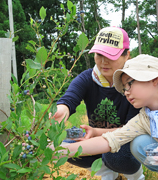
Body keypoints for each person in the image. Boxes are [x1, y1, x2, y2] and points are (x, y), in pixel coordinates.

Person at [52, 54, 158, 180]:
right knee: (141, 144)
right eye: (123, 88)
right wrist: (62, 150)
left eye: (130, 83)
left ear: (154, 79)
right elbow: (111, 139)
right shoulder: (144, 118)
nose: (126, 91)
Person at [52, 27, 144, 180]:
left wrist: (95, 132)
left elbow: (132, 130)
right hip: (95, 134)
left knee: (114, 156)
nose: (103, 62)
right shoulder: (87, 78)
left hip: (127, 140)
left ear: (127, 55)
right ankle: (109, 175)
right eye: (99, 54)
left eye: (110, 56)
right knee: (65, 140)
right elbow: (69, 98)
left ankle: (136, 176)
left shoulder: (135, 83)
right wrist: (62, 109)